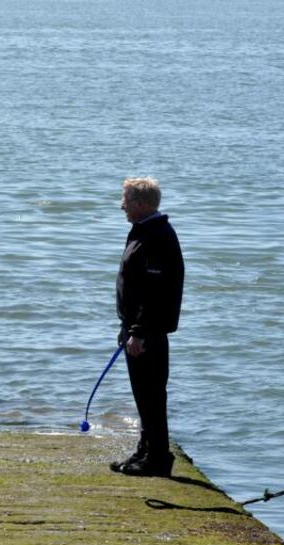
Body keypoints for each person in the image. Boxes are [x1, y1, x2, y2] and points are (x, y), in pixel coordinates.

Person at [110, 177, 184, 477]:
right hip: (138, 328)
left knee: (152, 394)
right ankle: (146, 450)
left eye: (125, 200)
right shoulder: (144, 231)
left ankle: (157, 458)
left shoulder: (157, 236)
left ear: (140, 204)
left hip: (149, 331)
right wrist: (126, 327)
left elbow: (155, 291)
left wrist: (139, 330)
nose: (122, 206)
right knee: (144, 394)